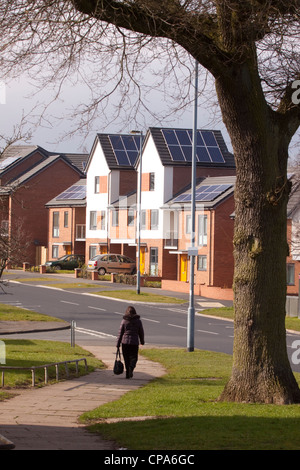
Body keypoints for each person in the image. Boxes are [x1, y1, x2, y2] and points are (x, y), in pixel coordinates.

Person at [116, 305, 145, 379]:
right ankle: (131, 368)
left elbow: (120, 333)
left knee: (126, 358)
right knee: (134, 357)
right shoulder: (138, 321)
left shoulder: (124, 321)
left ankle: (127, 374)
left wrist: (118, 343)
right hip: (134, 342)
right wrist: (142, 341)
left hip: (125, 342)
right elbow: (141, 332)